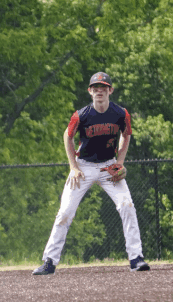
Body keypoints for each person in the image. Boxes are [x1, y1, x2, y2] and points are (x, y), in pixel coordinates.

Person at [32, 72, 150, 275]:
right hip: (83, 167)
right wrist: (73, 167)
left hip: (108, 167)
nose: (99, 91)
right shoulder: (82, 115)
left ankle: (136, 258)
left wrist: (120, 162)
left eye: (103, 87)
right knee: (65, 212)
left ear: (110, 90)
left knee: (127, 206)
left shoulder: (121, 113)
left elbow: (126, 134)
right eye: (95, 87)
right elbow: (67, 137)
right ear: (90, 91)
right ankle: (49, 261)